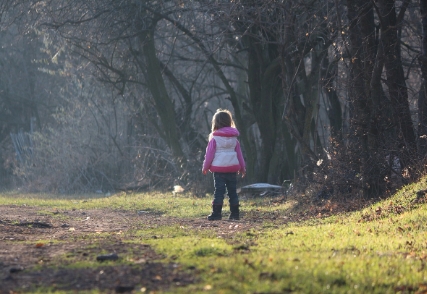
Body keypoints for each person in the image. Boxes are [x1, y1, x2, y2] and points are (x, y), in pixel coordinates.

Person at [202, 109, 246, 221]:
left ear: (215, 123)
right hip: (232, 168)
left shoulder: (214, 139)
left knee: (219, 192)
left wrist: (205, 167)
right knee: (232, 192)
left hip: (219, 170)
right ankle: (235, 214)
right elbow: (239, 154)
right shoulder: (234, 139)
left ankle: (216, 214)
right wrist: (242, 167)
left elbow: (209, 155)